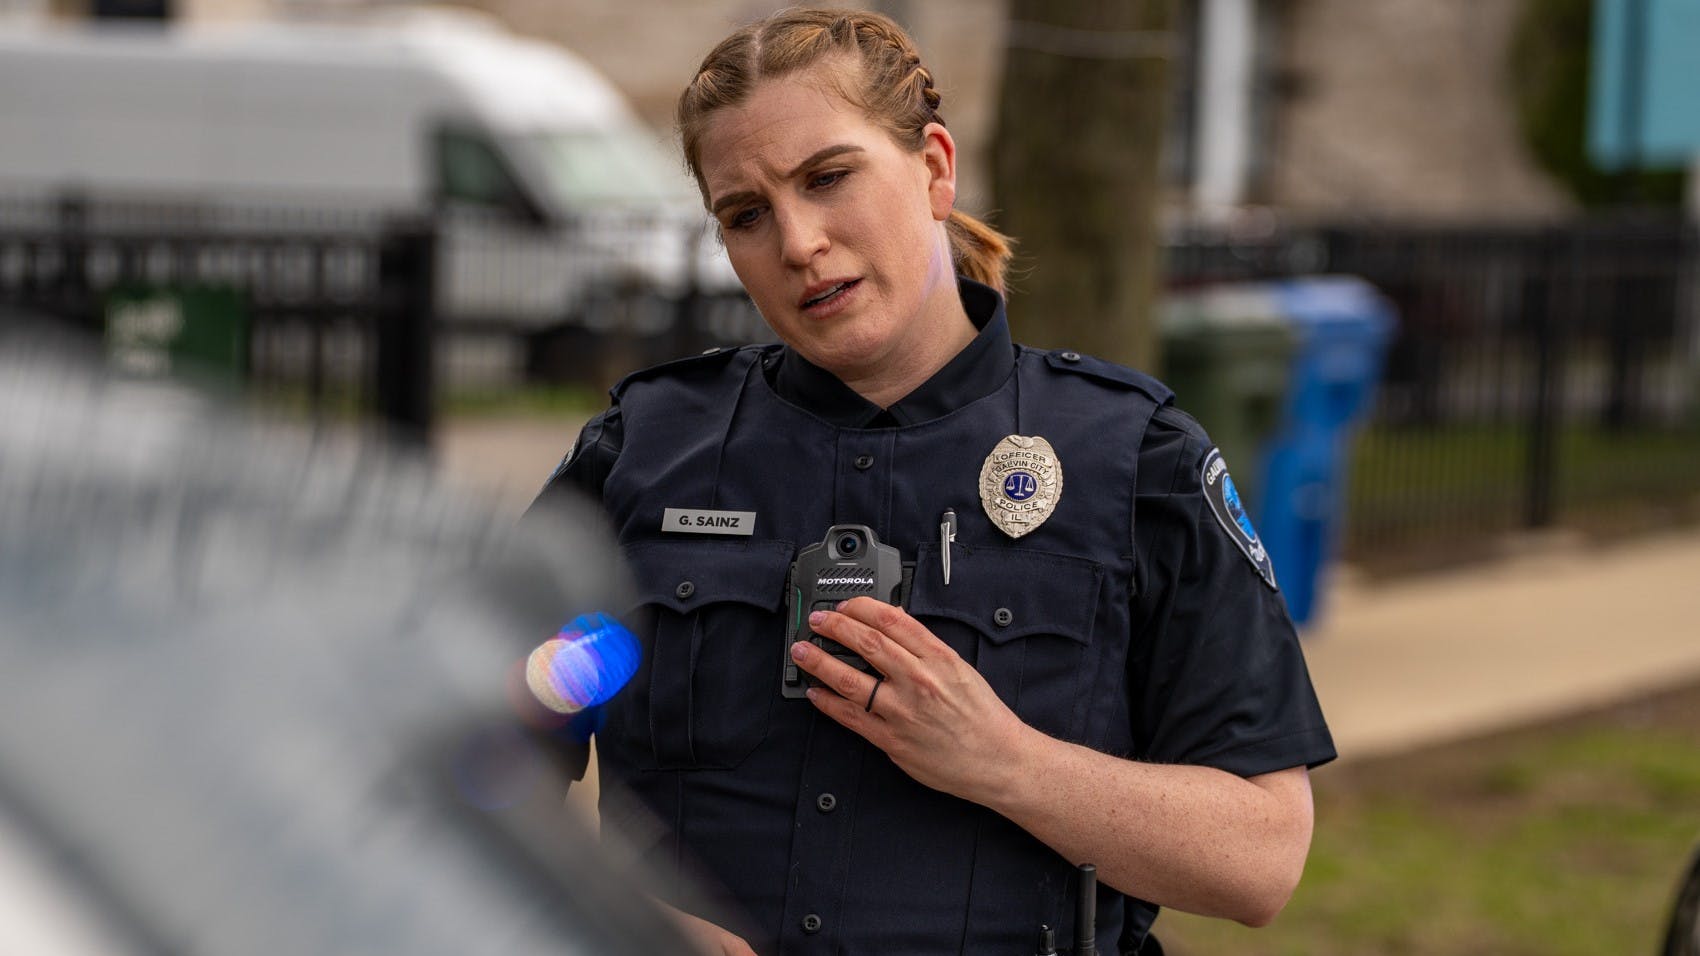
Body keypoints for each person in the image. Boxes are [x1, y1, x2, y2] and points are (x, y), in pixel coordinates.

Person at [529, 9, 1334, 954]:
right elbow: (456, 756)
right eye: (745, 214)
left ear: (936, 167)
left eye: (828, 178)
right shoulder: (642, 453)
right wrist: (627, 926)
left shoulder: (1132, 461)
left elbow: (1260, 858)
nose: (797, 243)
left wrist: (1005, 761)